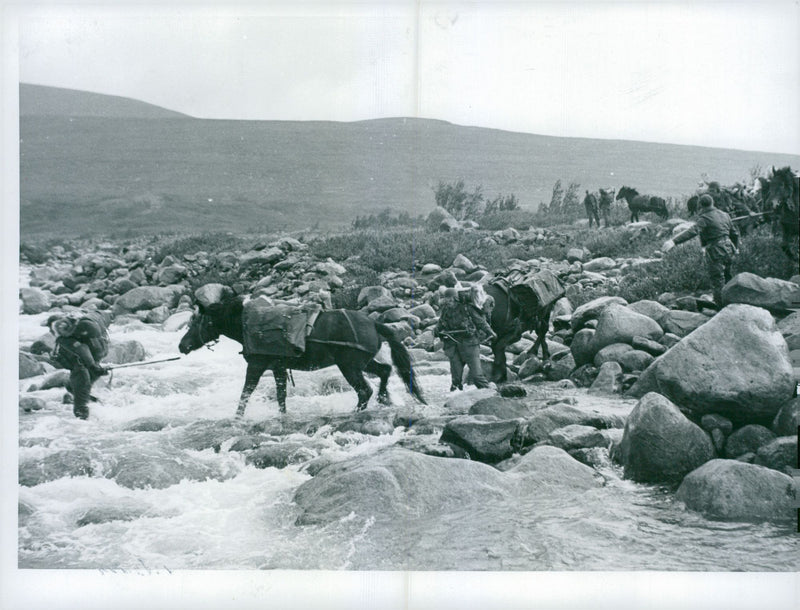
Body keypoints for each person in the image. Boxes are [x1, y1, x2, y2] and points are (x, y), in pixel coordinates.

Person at [662, 194, 740, 306]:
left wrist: (673, 241)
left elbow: (693, 231)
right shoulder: (725, 215)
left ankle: (721, 308)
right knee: (728, 275)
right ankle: (733, 301)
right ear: (712, 203)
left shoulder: (704, 218)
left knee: (717, 280)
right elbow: (735, 234)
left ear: (700, 206)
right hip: (729, 248)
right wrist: (736, 248)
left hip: (716, 251)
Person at [434, 287, 496, 391]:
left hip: (470, 344)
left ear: (455, 298)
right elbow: (441, 323)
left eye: (449, 299)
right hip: (453, 346)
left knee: (477, 377)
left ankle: (492, 394)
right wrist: (436, 330)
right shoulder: (445, 310)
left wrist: (490, 332)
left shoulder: (467, 308)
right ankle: (455, 400)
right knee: (456, 380)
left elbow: (480, 322)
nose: (448, 302)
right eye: (446, 299)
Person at [49, 312, 110, 419]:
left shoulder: (66, 339)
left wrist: (93, 367)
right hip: (96, 356)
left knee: (79, 401)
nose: (50, 331)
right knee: (71, 386)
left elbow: (82, 349)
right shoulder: (82, 324)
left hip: (82, 367)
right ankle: (97, 405)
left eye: (50, 328)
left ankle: (83, 424)